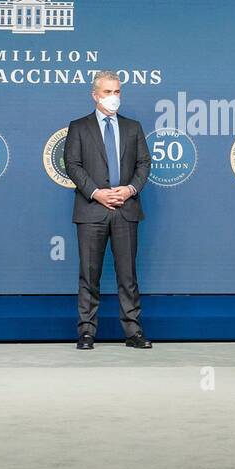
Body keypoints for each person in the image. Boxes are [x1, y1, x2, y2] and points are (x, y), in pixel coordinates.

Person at [63, 71, 152, 350]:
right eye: (108, 92)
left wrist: (129, 190)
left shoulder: (133, 127)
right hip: (92, 210)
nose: (114, 98)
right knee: (89, 274)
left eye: (117, 92)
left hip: (126, 208)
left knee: (128, 275)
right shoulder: (78, 127)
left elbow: (143, 164)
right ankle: (87, 332)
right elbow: (73, 164)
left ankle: (133, 332)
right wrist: (97, 193)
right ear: (95, 95)